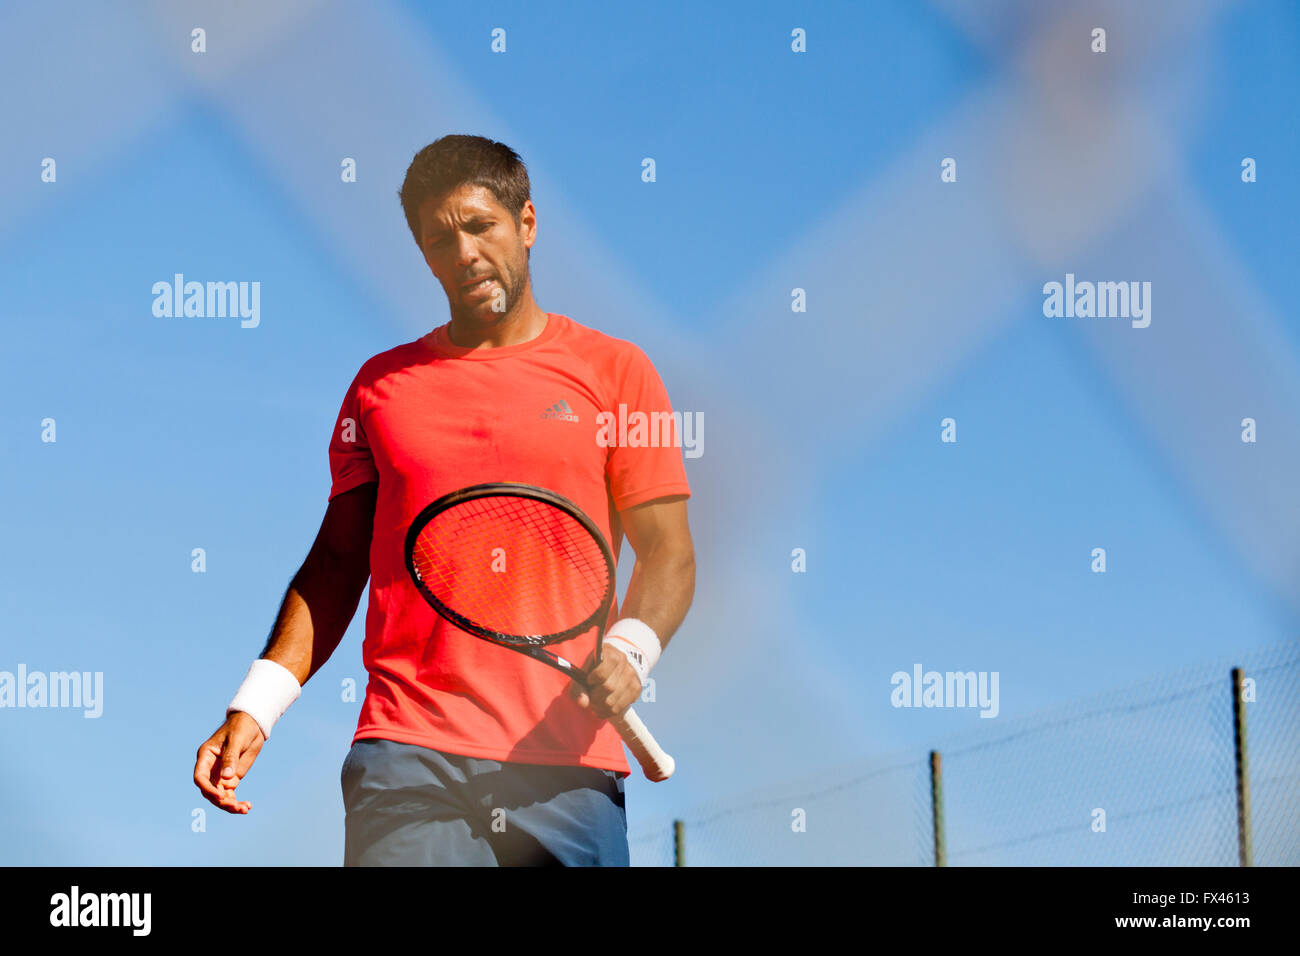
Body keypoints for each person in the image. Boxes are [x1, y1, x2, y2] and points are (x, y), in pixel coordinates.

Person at [192, 134, 696, 866]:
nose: (463, 253)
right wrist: (259, 699)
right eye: (439, 239)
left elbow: (671, 554)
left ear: (527, 223)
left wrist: (632, 648)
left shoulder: (619, 373)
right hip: (406, 756)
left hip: (568, 765)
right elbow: (336, 562)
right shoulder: (379, 388)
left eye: (480, 226)